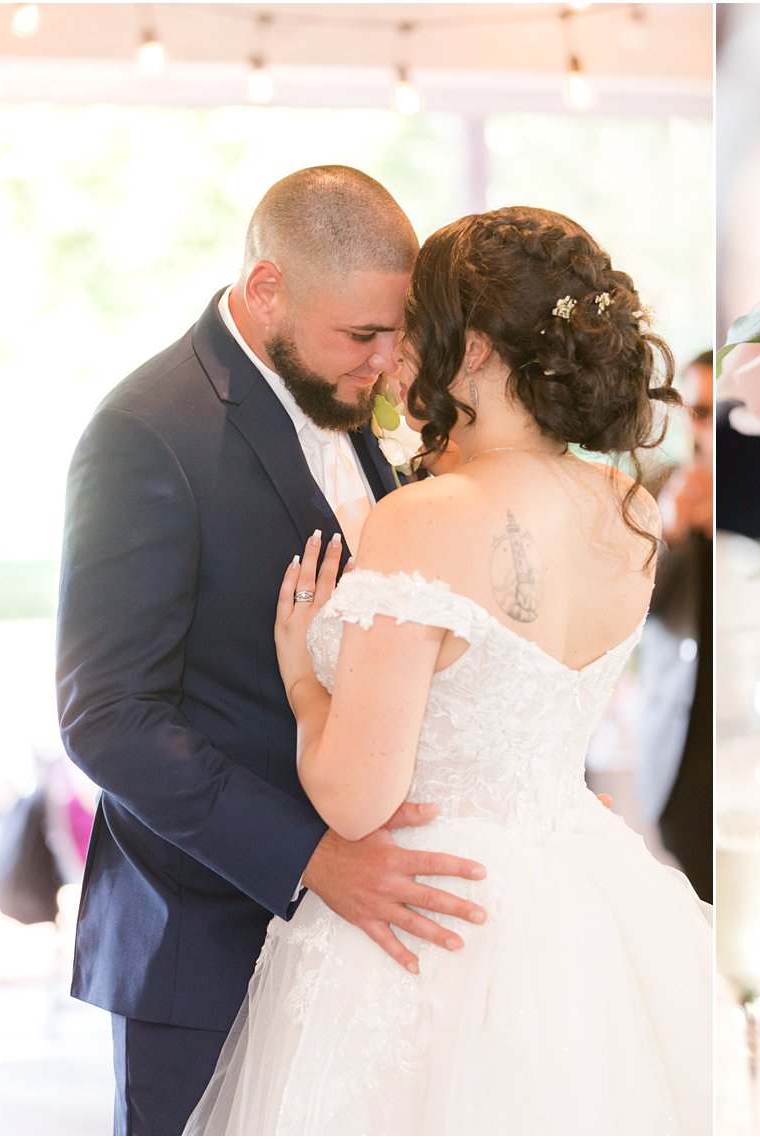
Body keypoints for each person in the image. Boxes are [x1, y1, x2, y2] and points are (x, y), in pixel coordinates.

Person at [185, 207, 713, 1134]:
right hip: (580, 902)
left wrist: (305, 680)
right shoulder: (627, 505)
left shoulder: (426, 518)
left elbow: (355, 798)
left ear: (469, 349)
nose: (392, 361)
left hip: (435, 912)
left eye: (411, 335)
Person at [56, 167, 488, 1136]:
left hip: (346, 954)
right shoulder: (143, 432)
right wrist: (310, 857)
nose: (386, 365)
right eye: (362, 336)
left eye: (394, 332)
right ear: (265, 290)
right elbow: (107, 718)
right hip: (204, 941)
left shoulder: (340, 400)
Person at [637, 350, 714, 901]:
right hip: (682, 728)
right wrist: (675, 531)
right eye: (700, 410)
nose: (706, 426)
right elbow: (633, 609)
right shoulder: (658, 485)